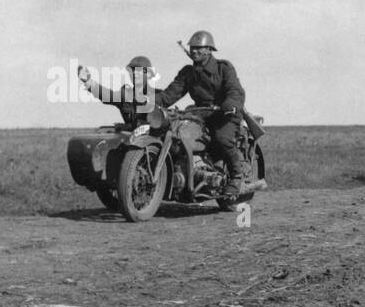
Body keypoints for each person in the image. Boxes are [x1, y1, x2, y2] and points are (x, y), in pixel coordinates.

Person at [156, 30, 248, 200]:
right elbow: (170, 95)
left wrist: (230, 105)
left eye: (199, 48)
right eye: (192, 48)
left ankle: (236, 176)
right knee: (179, 136)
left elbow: (235, 90)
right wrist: (148, 101)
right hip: (200, 113)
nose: (194, 51)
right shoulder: (188, 73)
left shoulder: (223, 68)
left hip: (224, 114)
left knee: (222, 138)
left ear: (209, 49)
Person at [78, 56, 157, 126]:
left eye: (139, 70)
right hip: (132, 140)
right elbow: (108, 95)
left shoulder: (158, 96)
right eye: (132, 70)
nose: (134, 73)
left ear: (148, 74)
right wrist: (89, 82)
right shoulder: (125, 95)